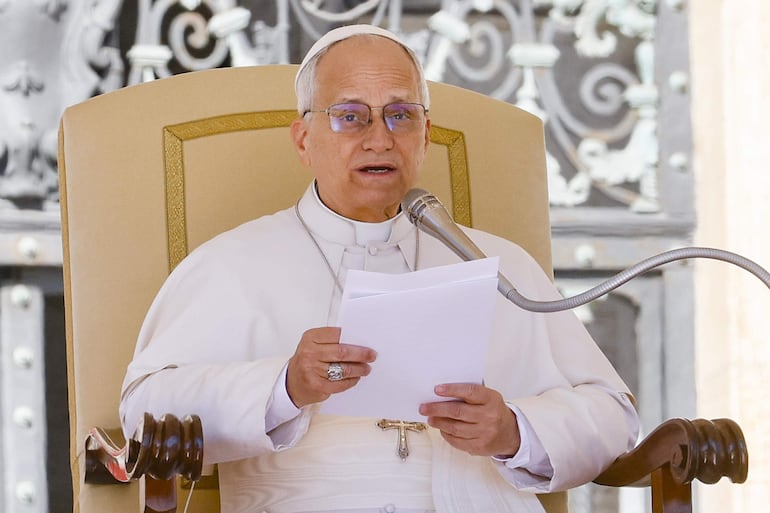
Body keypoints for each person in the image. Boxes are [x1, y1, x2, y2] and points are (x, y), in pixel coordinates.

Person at [120, 24, 639, 513]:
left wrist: (515, 431)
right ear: (303, 140)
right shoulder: (231, 264)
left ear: (426, 134)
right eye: (350, 115)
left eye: (400, 114)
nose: (379, 138)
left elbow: (613, 414)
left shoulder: (497, 266)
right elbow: (144, 414)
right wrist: (283, 386)